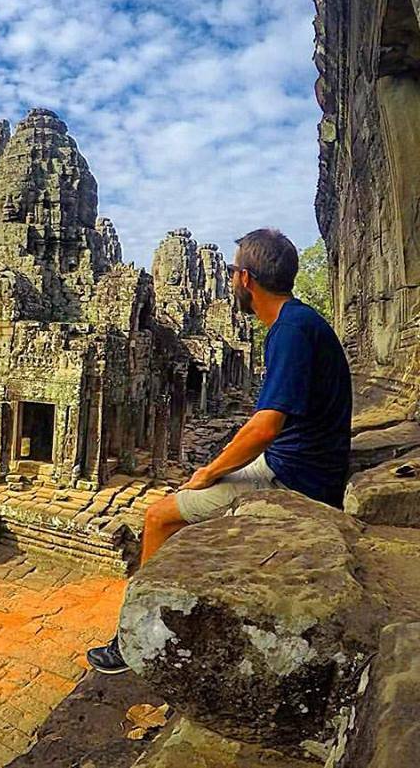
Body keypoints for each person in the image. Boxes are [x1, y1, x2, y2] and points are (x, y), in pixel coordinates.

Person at [87, 228, 352, 675]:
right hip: (308, 463)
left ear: (245, 279)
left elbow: (265, 427)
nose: (230, 283)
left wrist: (208, 471)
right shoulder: (301, 322)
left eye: (231, 274)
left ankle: (133, 637)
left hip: (294, 475)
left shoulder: (288, 331)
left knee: (158, 516)